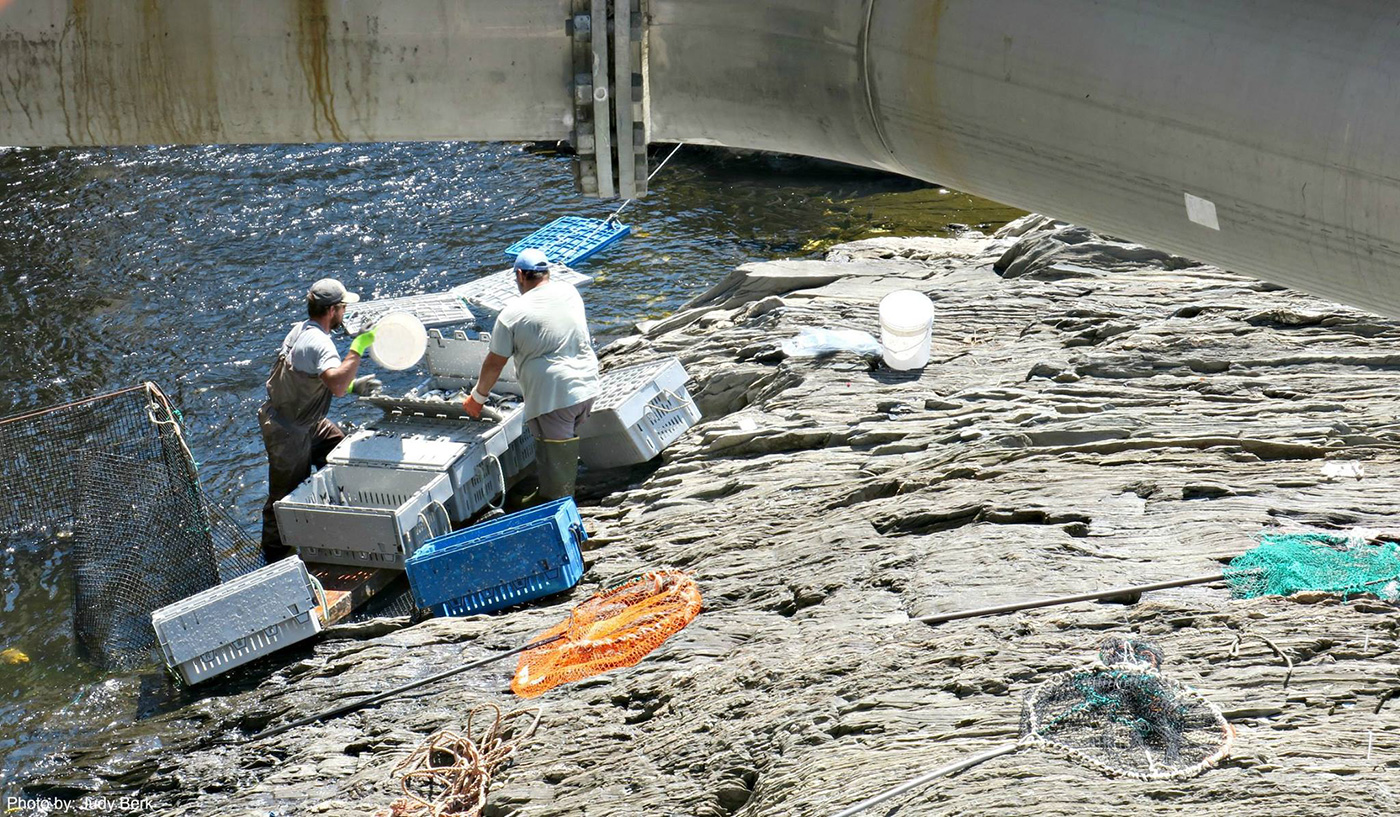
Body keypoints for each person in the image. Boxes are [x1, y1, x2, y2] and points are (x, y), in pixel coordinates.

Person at [259, 278, 382, 563]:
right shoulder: (321, 343)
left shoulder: (300, 330)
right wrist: (359, 346)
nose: (344, 314)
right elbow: (336, 386)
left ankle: (331, 521)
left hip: (304, 419)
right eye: (343, 308)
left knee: (337, 451)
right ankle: (274, 556)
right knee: (284, 496)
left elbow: (316, 378)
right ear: (332, 310)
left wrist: (354, 386)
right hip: (288, 430)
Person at [463, 249, 600, 501]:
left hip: (555, 397)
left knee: (554, 458)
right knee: (562, 447)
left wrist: (477, 398)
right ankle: (554, 491)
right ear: (547, 272)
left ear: (519, 275)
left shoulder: (511, 315)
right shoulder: (569, 292)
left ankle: (558, 504)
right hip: (588, 387)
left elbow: (494, 363)